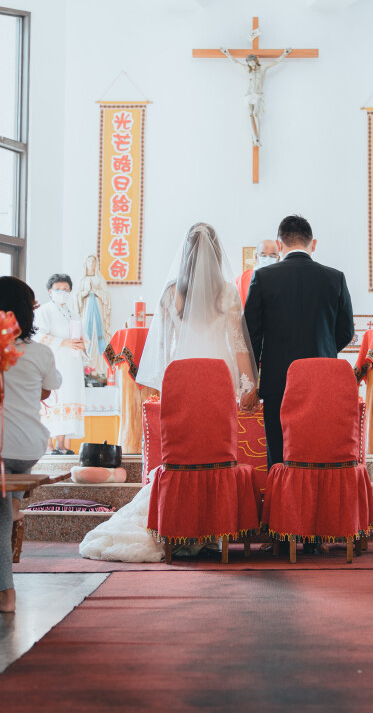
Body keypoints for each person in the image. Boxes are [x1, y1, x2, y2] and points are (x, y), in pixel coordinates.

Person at [79, 222, 259, 562]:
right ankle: (212, 529)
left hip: (182, 381)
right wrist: (248, 386)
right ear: (216, 254)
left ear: (185, 254)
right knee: (215, 456)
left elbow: (163, 349)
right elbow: (238, 345)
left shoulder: (170, 293)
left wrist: (166, 388)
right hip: (218, 382)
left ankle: (181, 527)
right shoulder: (228, 292)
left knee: (184, 458)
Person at [0, 277, 61, 613]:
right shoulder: (41, 352)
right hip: (31, 449)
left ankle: (6, 596)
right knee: (16, 468)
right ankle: (15, 499)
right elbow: (46, 390)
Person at [243, 215, 355, 472]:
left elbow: (250, 336)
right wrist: (323, 352)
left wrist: (253, 382)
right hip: (322, 382)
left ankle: (281, 498)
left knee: (280, 458)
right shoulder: (335, 278)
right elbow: (346, 331)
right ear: (313, 244)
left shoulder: (263, 277)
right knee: (318, 454)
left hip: (277, 383)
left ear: (278, 245)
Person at [34, 273, 86, 454]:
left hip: (72, 364)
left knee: (69, 398)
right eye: (58, 289)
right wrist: (63, 342)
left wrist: (82, 344)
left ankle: (61, 443)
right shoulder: (44, 311)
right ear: (50, 291)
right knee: (53, 400)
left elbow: (83, 337)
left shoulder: (74, 314)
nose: (62, 293)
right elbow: (38, 335)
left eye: (66, 289)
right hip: (53, 362)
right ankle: (48, 445)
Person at [73, 254, 112, 381]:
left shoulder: (99, 280)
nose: (91, 263)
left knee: (97, 335)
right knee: (86, 336)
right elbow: (76, 298)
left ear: (96, 264)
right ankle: (87, 367)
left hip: (98, 312)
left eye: (93, 261)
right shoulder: (82, 280)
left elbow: (106, 297)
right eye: (89, 260)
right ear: (85, 263)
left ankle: (98, 368)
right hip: (86, 312)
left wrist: (95, 291)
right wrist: (86, 292)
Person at [235, 238, 278, 306]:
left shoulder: (283, 279)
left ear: (278, 259)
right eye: (263, 255)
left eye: (272, 256)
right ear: (256, 257)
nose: (267, 259)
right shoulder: (241, 280)